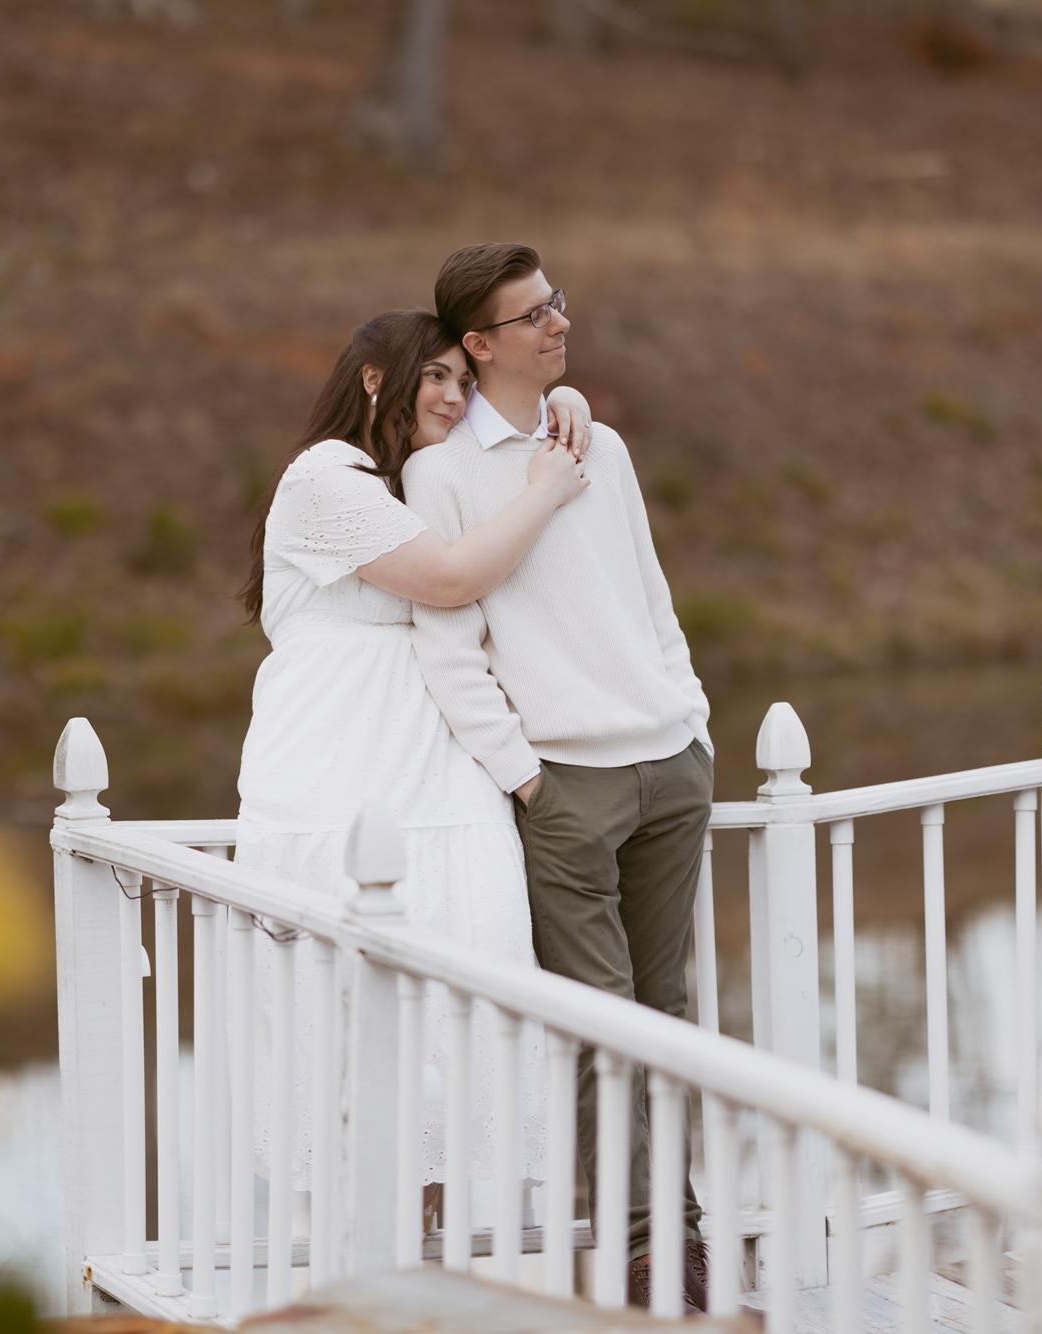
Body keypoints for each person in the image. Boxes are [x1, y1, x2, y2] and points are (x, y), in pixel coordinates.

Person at [401, 246, 714, 1313]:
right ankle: (642, 1249)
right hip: (568, 788)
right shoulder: (437, 476)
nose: (557, 326)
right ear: (476, 344)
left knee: (665, 1010)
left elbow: (649, 589)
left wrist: (689, 715)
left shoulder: (600, 445)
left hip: (668, 764)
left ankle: (686, 1229)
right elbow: (448, 646)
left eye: (558, 305)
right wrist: (527, 778)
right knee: (603, 1019)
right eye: (531, 316)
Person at [233, 308, 591, 1199]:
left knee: (464, 1016)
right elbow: (452, 579)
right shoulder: (324, 481)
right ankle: (356, 1260)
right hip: (337, 780)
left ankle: (457, 1248)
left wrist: (564, 397)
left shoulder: (420, 489)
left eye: (461, 382)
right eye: (432, 376)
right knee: (349, 1026)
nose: (452, 395)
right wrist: (547, 489)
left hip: (440, 785)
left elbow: (506, 446)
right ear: (372, 379)